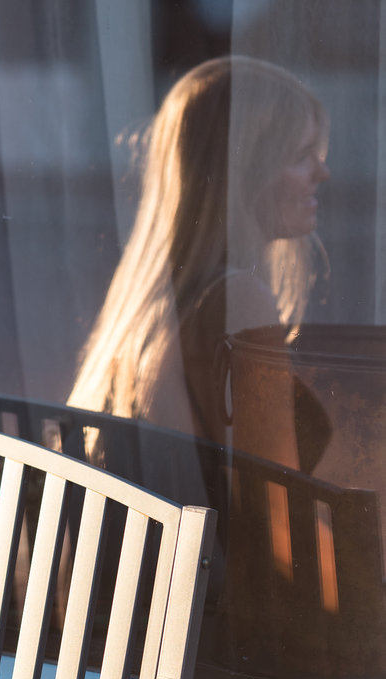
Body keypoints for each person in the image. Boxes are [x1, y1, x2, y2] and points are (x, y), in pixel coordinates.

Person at [68, 56, 330, 459]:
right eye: (301, 155)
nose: (322, 173)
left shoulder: (154, 308)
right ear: (245, 169)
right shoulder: (239, 298)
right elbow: (272, 491)